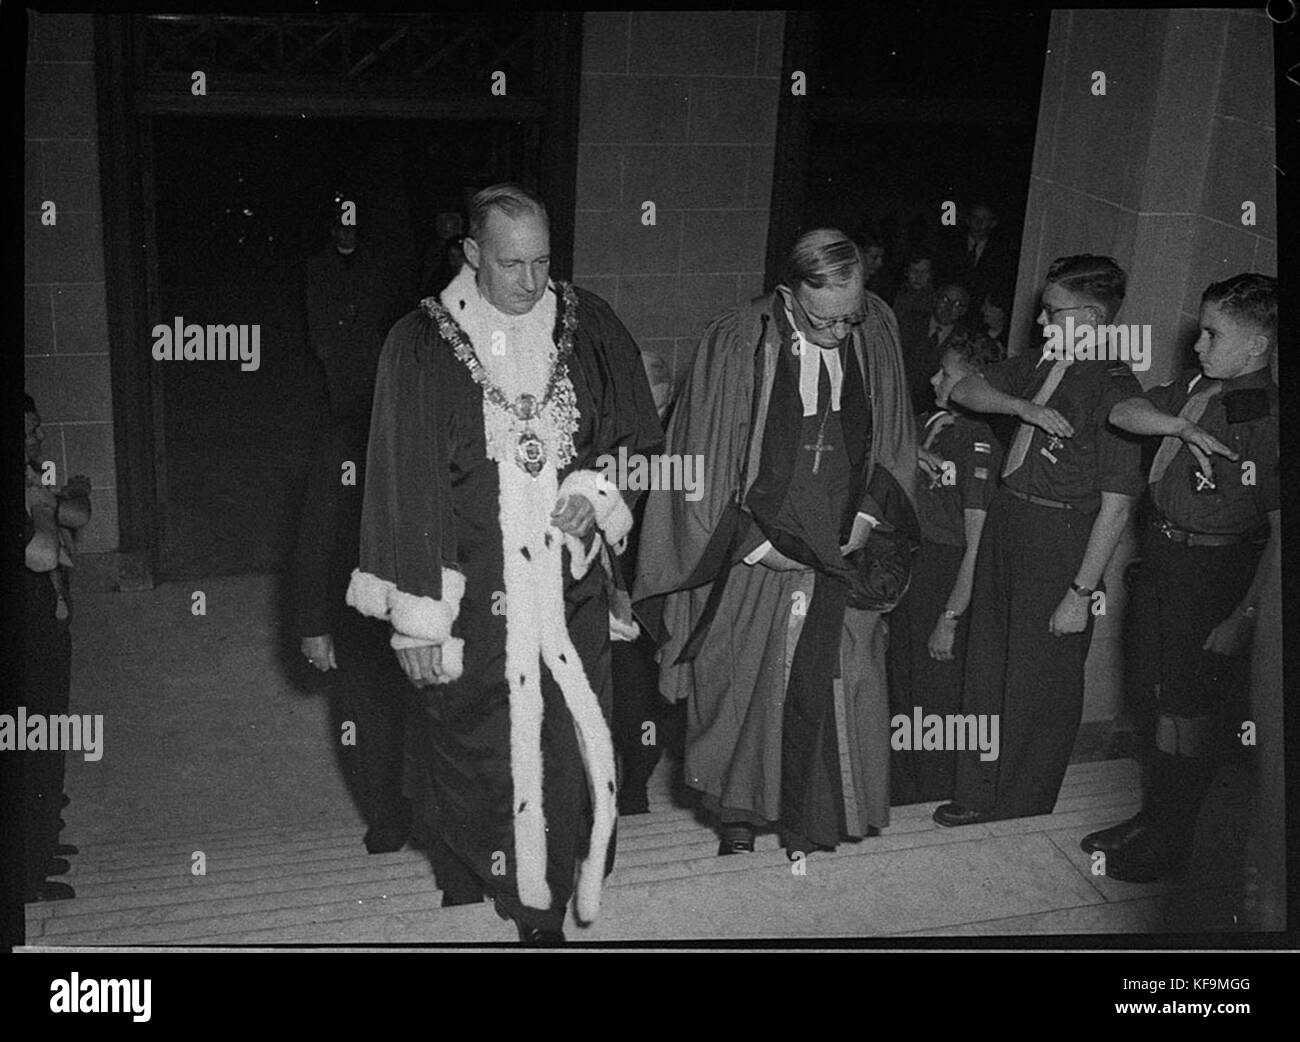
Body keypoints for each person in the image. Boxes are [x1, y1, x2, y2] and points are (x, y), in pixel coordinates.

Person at [346, 184, 662, 943]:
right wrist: (417, 622)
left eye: (543, 261)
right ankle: (480, 870)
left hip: (568, 587)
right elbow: (401, 487)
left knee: (568, 746)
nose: (530, 282)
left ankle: (542, 904)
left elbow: (631, 438)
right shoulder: (422, 344)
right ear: (472, 257)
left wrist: (595, 489)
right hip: (471, 595)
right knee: (477, 747)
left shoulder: (586, 325)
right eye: (512, 264)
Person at [634, 229, 919, 859]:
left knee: (843, 678)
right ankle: (737, 817)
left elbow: (896, 435)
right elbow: (698, 461)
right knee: (742, 684)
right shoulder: (737, 340)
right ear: (789, 293)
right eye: (826, 321)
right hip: (751, 547)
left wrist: (868, 519)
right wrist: (759, 547)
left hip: (844, 540)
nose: (842, 334)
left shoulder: (874, 328)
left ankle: (816, 816)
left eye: (851, 317)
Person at [933, 255, 1144, 826]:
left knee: (1038, 678)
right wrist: (1021, 406)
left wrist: (1081, 591)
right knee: (988, 663)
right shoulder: (1043, 363)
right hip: (1008, 518)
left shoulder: (1115, 386)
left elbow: (1119, 505)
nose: (1042, 322)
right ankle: (977, 790)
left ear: (1094, 319)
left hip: (1061, 534)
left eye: (1053, 312)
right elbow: (969, 389)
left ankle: (1020, 804)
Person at [1081, 273, 1278, 882]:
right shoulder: (1197, 388)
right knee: (1158, 700)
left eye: (1212, 334)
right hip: (1166, 562)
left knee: (1188, 715)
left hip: (1215, 574)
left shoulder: (1263, 416)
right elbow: (1122, 409)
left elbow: (1280, 533)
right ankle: (1153, 818)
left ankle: (1173, 841)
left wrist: (1243, 617)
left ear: (1257, 348)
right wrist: (1179, 425)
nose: (1197, 343)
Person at [887, 328, 1004, 805]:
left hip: (945, 572)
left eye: (948, 373)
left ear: (976, 381)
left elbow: (976, 544)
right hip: (907, 566)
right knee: (900, 687)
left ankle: (931, 792)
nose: (936, 378)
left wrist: (950, 618)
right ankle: (900, 788)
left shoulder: (979, 444)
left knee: (932, 697)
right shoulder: (920, 424)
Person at [292, 414, 412, 855]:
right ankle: (387, 821)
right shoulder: (344, 437)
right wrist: (313, 625)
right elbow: (316, 533)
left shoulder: (449, 419)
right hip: (361, 606)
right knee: (375, 717)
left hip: (441, 596)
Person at [23, 394, 91, 902]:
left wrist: (63, 499)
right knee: (29, 746)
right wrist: (46, 513)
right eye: (28, 431)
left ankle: (43, 844)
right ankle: (24, 875)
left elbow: (76, 512)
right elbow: (43, 553)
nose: (38, 439)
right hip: (25, 638)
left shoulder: (28, 479)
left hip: (46, 629)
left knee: (49, 736)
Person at [304, 208, 409, 422]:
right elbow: (313, 305)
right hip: (334, 338)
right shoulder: (319, 264)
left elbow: (384, 297)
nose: (347, 235)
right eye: (342, 230)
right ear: (334, 232)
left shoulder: (371, 261)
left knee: (370, 390)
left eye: (351, 230)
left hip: (366, 336)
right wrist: (320, 341)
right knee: (341, 392)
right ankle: (343, 435)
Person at [898, 282, 971, 416]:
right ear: (935, 299)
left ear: (963, 311)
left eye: (957, 304)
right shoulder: (909, 323)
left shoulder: (964, 339)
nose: (948, 308)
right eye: (945, 300)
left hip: (930, 413)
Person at [939, 200, 1013, 309]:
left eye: (984, 219)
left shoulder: (1000, 254)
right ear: (968, 220)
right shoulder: (951, 246)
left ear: (993, 223)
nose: (979, 223)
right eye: (975, 217)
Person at [892, 250, 937, 324]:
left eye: (924, 272)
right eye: (914, 271)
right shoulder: (895, 293)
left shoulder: (935, 300)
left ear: (931, 274)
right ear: (906, 272)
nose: (919, 277)